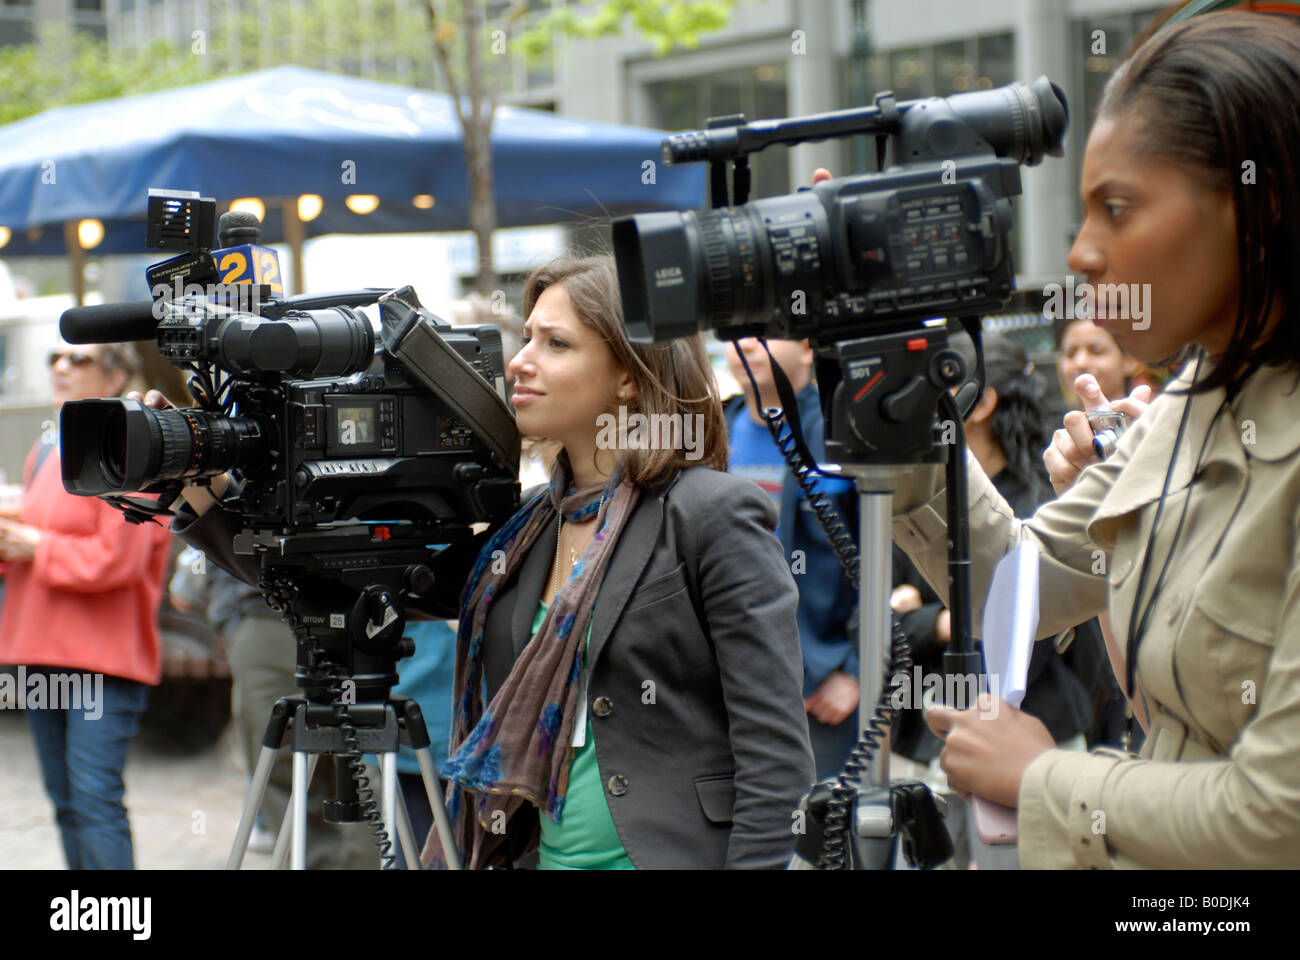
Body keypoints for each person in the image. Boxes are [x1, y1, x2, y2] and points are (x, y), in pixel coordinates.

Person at [168, 256, 815, 870]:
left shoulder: (708, 513)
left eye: (555, 344)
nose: (520, 363)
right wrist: (205, 497)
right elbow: (349, 583)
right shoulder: (528, 525)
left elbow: (775, 754)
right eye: (526, 338)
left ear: (627, 372)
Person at [887, 11, 1300, 868]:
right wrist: (899, 401)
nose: (1080, 254)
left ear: (1259, 207)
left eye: (1118, 208)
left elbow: (1277, 813)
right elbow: (1021, 584)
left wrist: (1040, 777)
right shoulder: (1194, 395)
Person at [0, 340, 172, 870]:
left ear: (116, 377)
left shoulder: (138, 444)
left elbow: (115, 561)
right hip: (37, 648)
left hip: (103, 657)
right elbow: (38, 537)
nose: (60, 366)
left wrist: (35, 546)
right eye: (53, 356)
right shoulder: (48, 448)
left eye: (79, 359)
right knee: (66, 803)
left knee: (94, 802)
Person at [722, 337, 860, 779]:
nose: (745, 345)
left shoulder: (839, 433)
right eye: (732, 334)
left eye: (763, 331)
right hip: (731, 680)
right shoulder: (713, 430)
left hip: (819, 684)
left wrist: (855, 669)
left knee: (825, 833)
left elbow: (885, 557)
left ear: (807, 349)